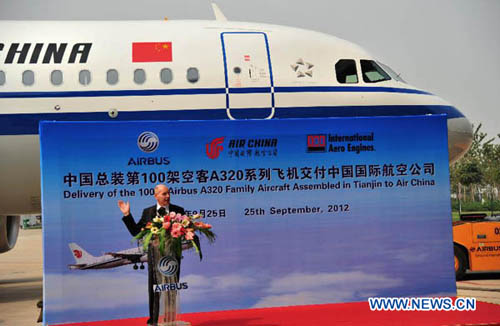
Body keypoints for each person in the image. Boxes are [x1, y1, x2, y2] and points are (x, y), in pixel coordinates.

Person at [118, 184, 185, 326]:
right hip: (155, 259)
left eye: (168, 193)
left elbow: (184, 231)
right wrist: (127, 215)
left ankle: (170, 320)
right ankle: (154, 321)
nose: (167, 196)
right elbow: (136, 232)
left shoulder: (178, 211)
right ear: (156, 196)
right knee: (155, 290)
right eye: (164, 194)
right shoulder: (148, 212)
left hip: (173, 258)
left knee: (171, 290)